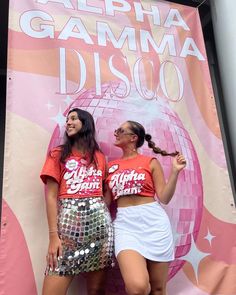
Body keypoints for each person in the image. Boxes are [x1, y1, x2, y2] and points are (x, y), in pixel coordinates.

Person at [105, 120, 186, 295]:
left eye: (120, 130)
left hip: (154, 224)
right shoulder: (110, 167)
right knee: (138, 287)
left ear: (133, 138)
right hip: (125, 226)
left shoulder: (150, 162)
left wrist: (175, 172)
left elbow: (164, 197)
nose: (115, 133)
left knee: (158, 289)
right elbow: (106, 202)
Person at [40, 108, 114, 295]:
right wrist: (53, 236)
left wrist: (98, 209)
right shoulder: (57, 154)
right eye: (67, 119)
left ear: (86, 123)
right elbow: (50, 196)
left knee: (96, 290)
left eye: (73, 118)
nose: (68, 123)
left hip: (100, 231)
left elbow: (107, 191)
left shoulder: (99, 157)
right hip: (67, 232)